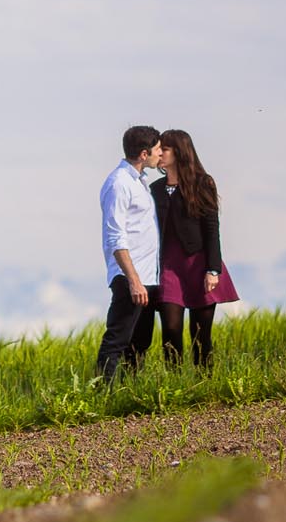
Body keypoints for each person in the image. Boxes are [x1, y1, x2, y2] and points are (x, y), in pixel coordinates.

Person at [152, 128, 240, 368]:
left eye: (164, 149)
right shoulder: (155, 189)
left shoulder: (203, 183)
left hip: (199, 264)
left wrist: (213, 269)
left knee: (200, 333)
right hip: (168, 268)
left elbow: (212, 228)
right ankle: (174, 383)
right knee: (170, 329)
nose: (159, 153)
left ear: (179, 152)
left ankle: (204, 381)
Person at [96, 125, 165, 379]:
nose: (161, 154)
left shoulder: (140, 181)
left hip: (146, 276)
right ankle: (102, 393)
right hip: (130, 276)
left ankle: (129, 391)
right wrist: (134, 280)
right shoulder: (119, 183)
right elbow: (115, 236)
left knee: (140, 342)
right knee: (117, 339)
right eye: (158, 149)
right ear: (144, 154)